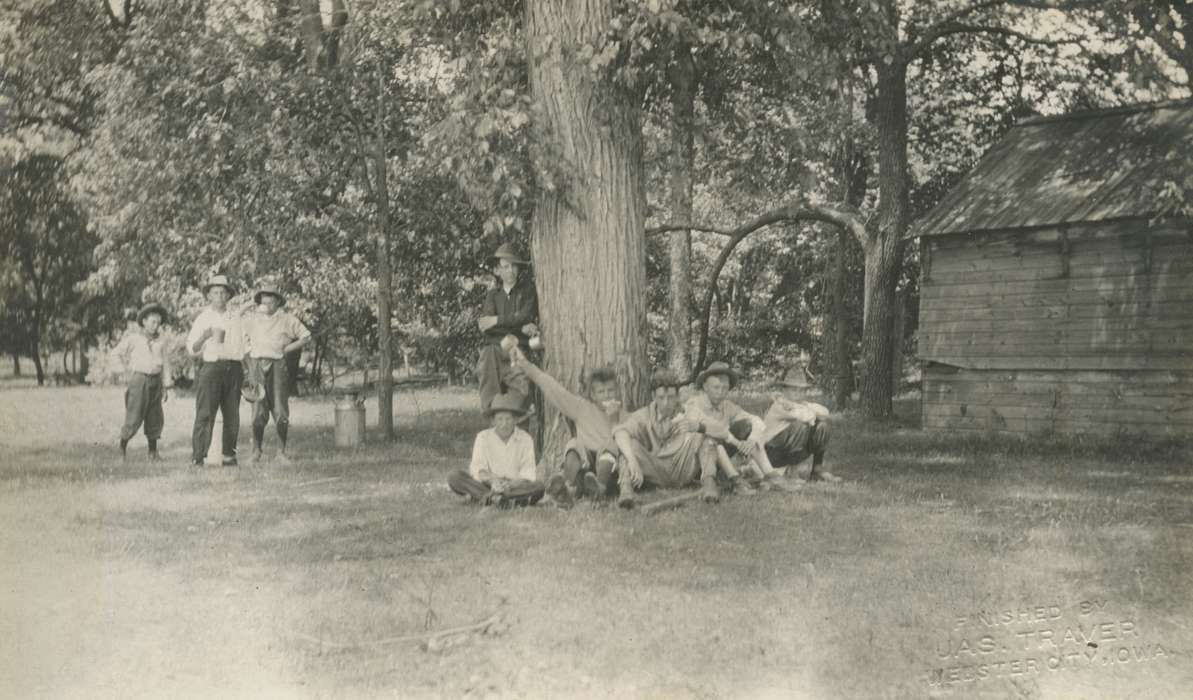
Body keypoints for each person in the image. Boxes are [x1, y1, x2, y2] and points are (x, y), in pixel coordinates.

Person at [508, 346, 627, 502]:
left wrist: (614, 421)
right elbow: (553, 389)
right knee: (574, 443)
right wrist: (525, 364)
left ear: (617, 392)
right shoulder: (582, 407)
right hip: (585, 468)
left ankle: (600, 489)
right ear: (592, 394)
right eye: (601, 392)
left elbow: (627, 445)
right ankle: (565, 487)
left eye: (610, 391)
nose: (606, 396)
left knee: (610, 448)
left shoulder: (623, 415)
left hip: (609, 471)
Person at [684, 362, 801, 494]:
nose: (720, 392)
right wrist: (736, 442)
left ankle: (771, 476)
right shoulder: (694, 404)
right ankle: (735, 480)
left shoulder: (727, 406)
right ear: (705, 386)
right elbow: (712, 428)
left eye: (725, 388)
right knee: (712, 437)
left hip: (720, 456)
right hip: (699, 463)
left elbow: (756, 420)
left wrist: (750, 440)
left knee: (746, 425)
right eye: (716, 387)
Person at [612, 369, 720, 508]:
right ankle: (626, 491)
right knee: (628, 445)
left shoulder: (689, 411)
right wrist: (632, 460)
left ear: (678, 396)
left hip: (683, 467)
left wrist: (699, 427)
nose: (666, 402)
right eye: (661, 397)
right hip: (655, 468)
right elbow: (620, 432)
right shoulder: (644, 415)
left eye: (671, 397)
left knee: (705, 437)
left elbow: (721, 430)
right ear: (653, 396)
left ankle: (709, 484)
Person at [447, 393, 571, 508]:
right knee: (454, 476)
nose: (504, 424)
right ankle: (499, 498)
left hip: (515, 486)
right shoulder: (483, 437)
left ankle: (491, 498)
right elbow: (478, 468)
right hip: (489, 483)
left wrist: (510, 485)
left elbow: (527, 472)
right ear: (493, 421)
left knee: (539, 487)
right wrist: (493, 481)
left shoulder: (525, 439)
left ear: (516, 420)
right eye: (500, 419)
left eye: (508, 419)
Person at [244, 283, 312, 464]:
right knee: (258, 411)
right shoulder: (252, 319)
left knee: (281, 411)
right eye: (263, 301)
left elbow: (306, 335)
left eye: (271, 301)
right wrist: (248, 354)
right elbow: (237, 331)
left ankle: (281, 452)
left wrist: (287, 348)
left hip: (278, 365)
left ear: (277, 302)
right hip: (257, 365)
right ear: (259, 303)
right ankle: (256, 451)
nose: (267, 305)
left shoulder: (286, 319)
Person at [186, 274, 247, 467]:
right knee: (205, 413)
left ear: (228, 295)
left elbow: (245, 347)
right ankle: (198, 457)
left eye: (223, 292)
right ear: (209, 296)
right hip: (212, 367)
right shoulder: (203, 318)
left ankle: (229, 455)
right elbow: (192, 349)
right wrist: (204, 336)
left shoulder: (236, 317)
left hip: (234, 367)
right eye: (215, 292)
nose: (220, 296)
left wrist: (250, 371)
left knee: (232, 414)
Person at [476, 243, 538, 413]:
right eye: (505, 267)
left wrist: (497, 320)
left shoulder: (527, 291)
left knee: (520, 398)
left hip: (518, 352)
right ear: (497, 270)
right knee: (490, 402)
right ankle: (493, 434)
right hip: (493, 352)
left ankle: (519, 432)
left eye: (514, 266)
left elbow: (526, 316)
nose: (510, 271)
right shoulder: (492, 295)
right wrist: (517, 328)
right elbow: (486, 327)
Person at [757, 365, 840, 483]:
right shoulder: (780, 404)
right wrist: (810, 411)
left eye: (801, 390)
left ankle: (817, 470)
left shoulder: (802, 404)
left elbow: (825, 412)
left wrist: (807, 408)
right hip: (769, 453)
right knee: (800, 425)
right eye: (793, 389)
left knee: (823, 425)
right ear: (785, 390)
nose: (797, 393)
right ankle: (792, 473)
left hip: (787, 449)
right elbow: (804, 417)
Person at [114, 302, 173, 462]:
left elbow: (165, 363)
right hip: (139, 381)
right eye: (152, 322)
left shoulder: (161, 341)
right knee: (134, 415)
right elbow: (116, 353)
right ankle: (122, 448)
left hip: (156, 382)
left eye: (158, 323)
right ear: (144, 322)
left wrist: (166, 385)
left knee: (154, 416)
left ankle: (153, 452)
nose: (155, 326)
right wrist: (122, 372)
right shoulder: (134, 339)